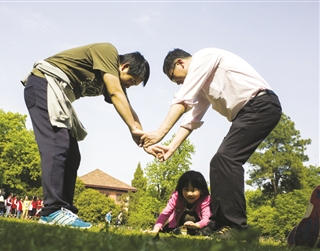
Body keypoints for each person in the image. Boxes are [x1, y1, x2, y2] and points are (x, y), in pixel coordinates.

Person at [142, 48, 282, 239]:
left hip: (260, 105)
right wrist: (171, 148)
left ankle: (237, 227)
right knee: (218, 163)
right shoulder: (203, 86)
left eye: (177, 79)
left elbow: (182, 100)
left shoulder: (203, 57)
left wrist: (160, 132)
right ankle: (216, 224)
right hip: (246, 113)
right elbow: (192, 118)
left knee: (227, 160)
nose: (180, 83)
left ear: (180, 63)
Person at [22, 43, 150, 228]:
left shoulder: (113, 81)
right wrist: (132, 128)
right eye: (131, 80)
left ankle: (63, 209)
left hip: (59, 95)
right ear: (124, 66)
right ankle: (52, 211)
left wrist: (146, 140)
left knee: (72, 155)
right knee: (57, 145)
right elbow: (116, 93)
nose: (129, 86)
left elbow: (127, 108)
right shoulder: (108, 52)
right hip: (45, 84)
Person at [146, 170, 211, 236]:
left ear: (202, 191)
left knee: (193, 220)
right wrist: (155, 229)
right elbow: (165, 213)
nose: (189, 193)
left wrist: (197, 225)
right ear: (181, 189)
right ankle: (179, 231)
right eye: (186, 189)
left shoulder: (205, 200)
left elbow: (207, 219)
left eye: (193, 190)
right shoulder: (177, 197)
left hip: (198, 226)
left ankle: (193, 232)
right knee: (167, 227)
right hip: (178, 224)